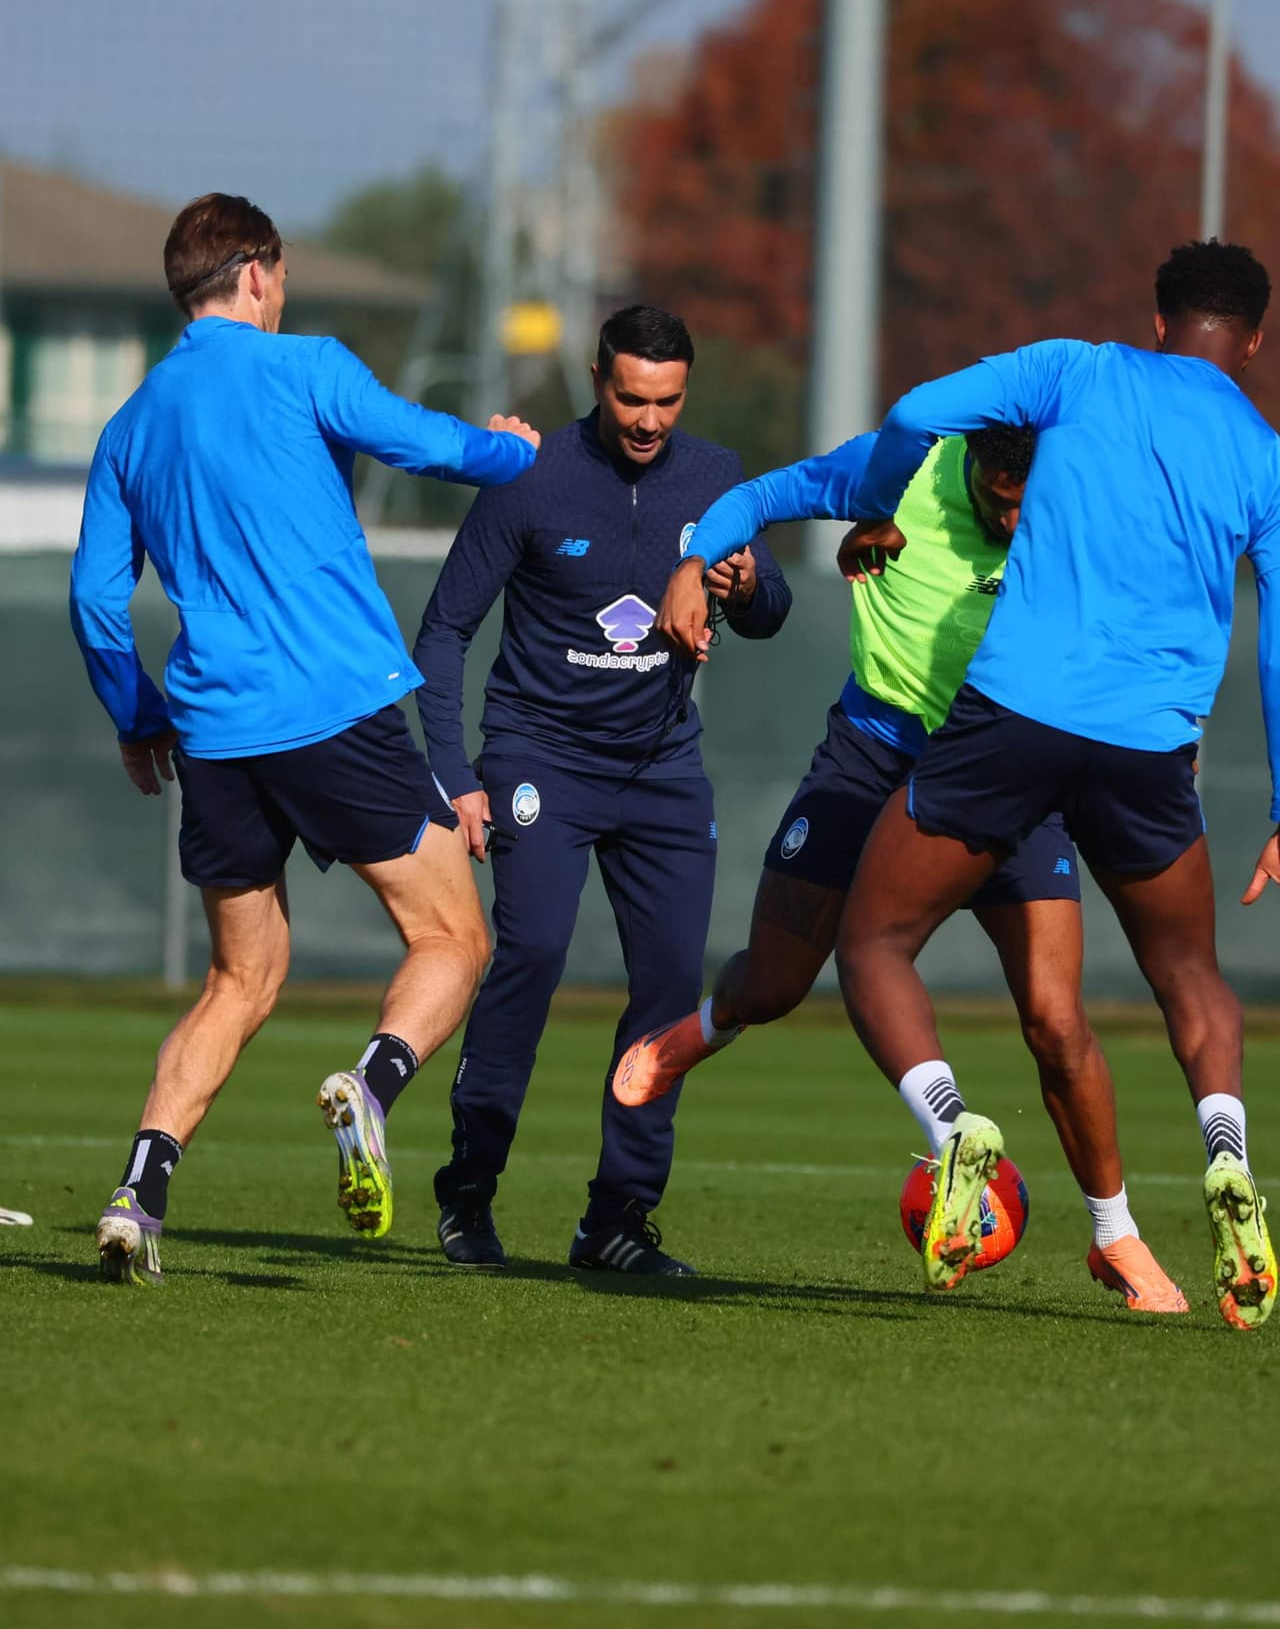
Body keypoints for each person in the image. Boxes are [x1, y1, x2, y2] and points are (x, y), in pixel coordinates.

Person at [70, 192, 539, 1286]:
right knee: (453, 939)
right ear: (258, 273)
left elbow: (97, 603)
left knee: (240, 980)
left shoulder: (130, 423)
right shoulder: (304, 365)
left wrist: (136, 715)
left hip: (217, 734)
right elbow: (423, 446)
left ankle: (139, 1195)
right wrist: (508, 452)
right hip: (333, 710)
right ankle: (370, 1088)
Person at [619, 424, 1185, 1311]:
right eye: (998, 495)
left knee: (1056, 1018)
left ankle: (1116, 1235)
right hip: (872, 754)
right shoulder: (902, 469)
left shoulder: (1082, 502)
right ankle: (704, 1027)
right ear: (973, 468)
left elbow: (1150, 617)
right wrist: (693, 565)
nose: (1014, 513)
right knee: (773, 982)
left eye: (1026, 498)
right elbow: (757, 498)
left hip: (1006, 771)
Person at [819, 238, 1278, 1331]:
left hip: (1011, 720)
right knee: (1188, 978)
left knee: (873, 943)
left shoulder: (1076, 369)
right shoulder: (1261, 453)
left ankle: (953, 1126)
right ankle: (1224, 1152)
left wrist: (880, 501)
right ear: (1252, 342)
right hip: (1147, 746)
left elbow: (916, 408)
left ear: (1157, 321)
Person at [408, 305, 792, 1275]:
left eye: (666, 400)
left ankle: (615, 1220)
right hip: (541, 759)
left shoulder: (713, 478)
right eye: (630, 396)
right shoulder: (529, 478)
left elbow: (771, 610)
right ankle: (468, 1191)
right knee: (529, 955)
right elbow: (444, 629)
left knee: (667, 992)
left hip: (662, 768)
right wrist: (453, 774)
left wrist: (745, 588)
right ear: (594, 378)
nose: (648, 419)